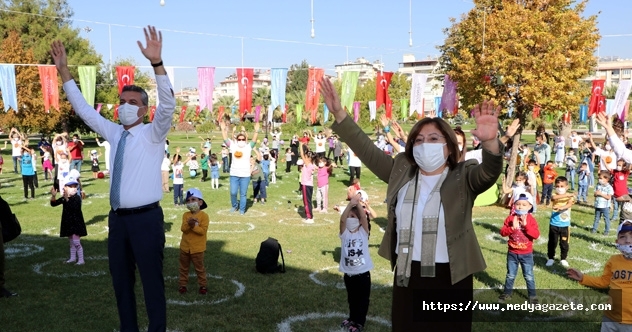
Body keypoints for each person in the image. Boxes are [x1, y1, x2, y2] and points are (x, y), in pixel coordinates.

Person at [321, 78, 502, 330]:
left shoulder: (464, 175)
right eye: (418, 140)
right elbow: (367, 150)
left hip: (452, 277)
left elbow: (490, 172)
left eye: (433, 139)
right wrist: (340, 113)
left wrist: (491, 143)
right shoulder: (401, 172)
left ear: (449, 146)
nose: (424, 145)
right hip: (408, 275)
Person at [51, 26, 173, 332]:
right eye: (123, 101)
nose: (125, 106)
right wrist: (64, 71)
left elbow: (168, 106)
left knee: (151, 284)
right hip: (118, 221)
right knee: (121, 284)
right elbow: (83, 110)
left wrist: (157, 64)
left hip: (146, 220)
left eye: (133, 103)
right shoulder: (115, 132)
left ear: (144, 110)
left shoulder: (153, 134)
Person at [567, 221, 632, 330]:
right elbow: (603, 281)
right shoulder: (613, 260)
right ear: (617, 242)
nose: (628, 240)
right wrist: (583, 278)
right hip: (610, 317)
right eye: (623, 237)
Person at [338, 194, 372, 332]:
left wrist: (357, 204)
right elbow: (342, 220)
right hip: (349, 274)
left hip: (362, 274)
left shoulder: (363, 233)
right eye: (349, 217)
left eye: (354, 217)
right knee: (352, 299)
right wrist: (349, 205)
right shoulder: (345, 234)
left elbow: (364, 217)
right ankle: (352, 318)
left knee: (362, 301)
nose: (350, 219)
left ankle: (359, 323)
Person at [498, 193, 540, 304]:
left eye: (524, 205)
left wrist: (526, 225)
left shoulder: (531, 220)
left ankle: (532, 296)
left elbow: (535, 235)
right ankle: (507, 293)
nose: (520, 207)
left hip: (526, 254)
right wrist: (511, 228)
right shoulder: (511, 218)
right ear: (514, 205)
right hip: (512, 253)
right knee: (510, 275)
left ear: (530, 206)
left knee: (529, 275)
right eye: (518, 204)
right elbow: (502, 232)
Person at [220, 121, 260, 215]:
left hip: (245, 175)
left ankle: (242, 209)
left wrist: (256, 131)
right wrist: (222, 130)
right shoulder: (233, 146)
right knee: (233, 192)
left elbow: (254, 140)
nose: (241, 140)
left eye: (243, 139)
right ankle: (234, 206)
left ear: (245, 139)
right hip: (234, 174)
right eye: (239, 139)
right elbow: (225, 139)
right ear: (237, 139)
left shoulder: (248, 147)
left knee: (243, 194)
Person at [50, 176, 88, 265]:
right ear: (65, 188)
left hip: (76, 222)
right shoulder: (64, 197)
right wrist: (53, 196)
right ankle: (72, 258)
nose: (73, 189)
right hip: (68, 222)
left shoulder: (77, 198)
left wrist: (67, 199)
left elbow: (75, 207)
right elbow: (54, 204)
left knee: (76, 242)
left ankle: (81, 260)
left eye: (75, 186)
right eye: (70, 187)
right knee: (71, 242)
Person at [178, 188, 209, 295]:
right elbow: (183, 229)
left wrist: (194, 226)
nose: (190, 202)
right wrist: (189, 224)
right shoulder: (185, 215)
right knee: (183, 267)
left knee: (199, 268)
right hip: (185, 248)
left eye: (193, 199)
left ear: (200, 202)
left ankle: (203, 285)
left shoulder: (204, 216)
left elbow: (202, 231)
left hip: (198, 249)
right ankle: (182, 285)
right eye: (188, 201)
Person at [546, 176, 575, 268]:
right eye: (557, 186)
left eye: (562, 186)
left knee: (564, 243)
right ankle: (551, 258)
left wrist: (561, 208)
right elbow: (554, 198)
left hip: (565, 225)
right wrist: (567, 195)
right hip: (554, 224)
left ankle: (563, 259)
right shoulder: (555, 195)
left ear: (567, 187)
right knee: (552, 242)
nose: (560, 188)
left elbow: (569, 204)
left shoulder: (570, 197)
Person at [299, 141, 317, 223]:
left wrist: (300, 145)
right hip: (309, 185)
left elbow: (302, 155)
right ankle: (309, 215)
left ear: (309, 158)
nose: (305, 157)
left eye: (306, 157)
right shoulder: (312, 164)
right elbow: (309, 154)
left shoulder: (308, 164)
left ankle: (309, 218)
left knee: (306, 201)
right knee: (308, 201)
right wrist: (307, 146)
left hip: (306, 185)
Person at [592, 171, 614, 235]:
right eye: (599, 178)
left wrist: (601, 194)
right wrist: (596, 194)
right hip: (598, 205)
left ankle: (606, 231)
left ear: (606, 179)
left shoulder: (609, 187)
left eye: (601, 178)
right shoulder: (598, 185)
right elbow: (595, 194)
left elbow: (608, 197)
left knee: (606, 219)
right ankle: (594, 229)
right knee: (596, 218)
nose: (599, 179)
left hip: (605, 206)